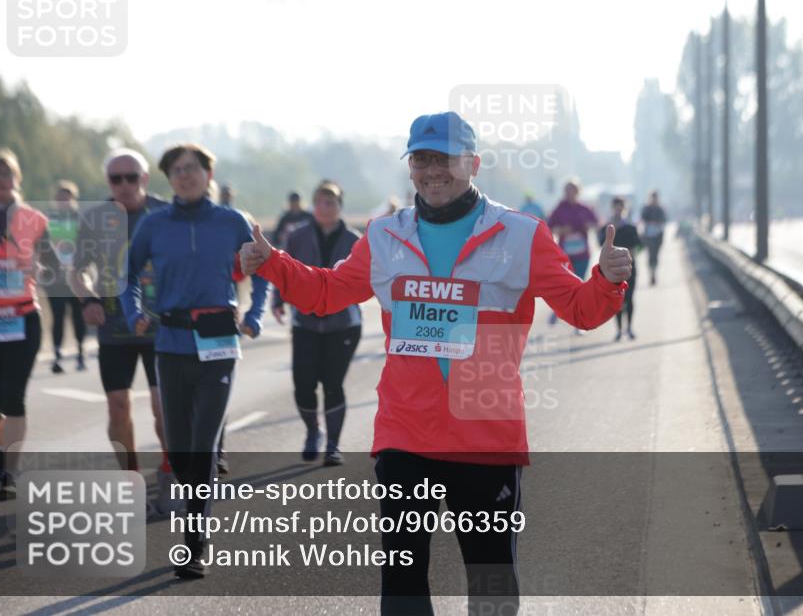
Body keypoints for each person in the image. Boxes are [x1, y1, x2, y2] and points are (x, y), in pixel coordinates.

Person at [241, 111, 632, 615]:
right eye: (421, 159)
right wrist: (272, 262)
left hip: (485, 431)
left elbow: (581, 309)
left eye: (444, 158)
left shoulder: (521, 234)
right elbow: (325, 293)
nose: (433, 170)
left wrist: (606, 278)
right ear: (410, 168)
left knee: (491, 580)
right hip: (407, 433)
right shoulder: (384, 236)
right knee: (402, 580)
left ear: (473, 163)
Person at [120, 143, 267, 579]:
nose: (184, 176)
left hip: (220, 339)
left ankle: (194, 542)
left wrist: (255, 315)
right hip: (171, 341)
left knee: (201, 445)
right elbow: (127, 273)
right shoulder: (154, 224)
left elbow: (264, 269)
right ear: (168, 179)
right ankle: (193, 494)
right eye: (176, 171)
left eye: (192, 169)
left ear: (208, 174)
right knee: (181, 448)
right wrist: (133, 314)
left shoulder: (230, 221)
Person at [68, 148, 174, 509]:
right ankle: (130, 478)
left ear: (144, 179)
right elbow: (76, 270)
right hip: (114, 326)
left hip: (161, 327)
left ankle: (169, 468)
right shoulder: (95, 219)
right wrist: (87, 300)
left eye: (132, 177)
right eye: (117, 178)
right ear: (108, 182)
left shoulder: (165, 213)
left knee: (164, 409)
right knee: (117, 407)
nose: (125, 185)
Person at [0, 149, 58, 499]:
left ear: (17, 179)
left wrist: (42, 271)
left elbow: (54, 266)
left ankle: (10, 471)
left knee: (13, 397)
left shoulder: (34, 219)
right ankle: (11, 452)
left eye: (5, 173)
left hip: (23, 318)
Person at [271, 180, 361, 466]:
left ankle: (333, 445)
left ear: (339, 206)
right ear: (313, 205)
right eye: (320, 202)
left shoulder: (354, 240)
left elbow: (366, 276)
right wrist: (277, 299)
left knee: (333, 383)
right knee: (304, 384)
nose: (325, 207)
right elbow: (284, 268)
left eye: (331, 202)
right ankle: (313, 431)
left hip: (343, 323)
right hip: (305, 322)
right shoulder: (298, 236)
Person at [44, 180, 87, 373]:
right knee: (58, 316)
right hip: (55, 278)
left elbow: (88, 247)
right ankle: (57, 355)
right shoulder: (48, 220)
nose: (63, 202)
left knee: (79, 316)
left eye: (67, 199)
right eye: (60, 199)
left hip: (76, 276)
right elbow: (42, 248)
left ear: (73, 199)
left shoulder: (81, 219)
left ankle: (80, 353)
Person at [546, 179, 599, 331]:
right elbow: (549, 227)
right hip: (564, 254)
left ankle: (579, 324)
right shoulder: (560, 208)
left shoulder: (584, 208)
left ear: (578, 192)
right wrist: (562, 231)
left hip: (582, 254)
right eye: (567, 191)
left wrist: (589, 226)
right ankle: (557, 312)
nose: (570, 194)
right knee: (565, 286)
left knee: (580, 286)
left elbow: (596, 223)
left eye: (573, 191)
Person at [598, 196, 642, 340]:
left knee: (629, 298)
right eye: (616, 206)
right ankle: (618, 330)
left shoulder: (630, 227)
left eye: (621, 206)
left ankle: (629, 328)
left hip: (629, 266)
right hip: (612, 268)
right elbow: (600, 243)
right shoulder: (608, 228)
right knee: (616, 299)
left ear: (624, 208)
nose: (618, 209)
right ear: (613, 208)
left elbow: (640, 245)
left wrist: (632, 252)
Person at [640, 190, 667, 285]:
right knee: (650, 255)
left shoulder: (660, 209)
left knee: (655, 255)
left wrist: (657, 223)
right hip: (649, 235)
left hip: (658, 235)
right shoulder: (646, 208)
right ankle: (651, 274)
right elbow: (643, 218)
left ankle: (654, 273)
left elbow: (664, 220)